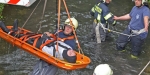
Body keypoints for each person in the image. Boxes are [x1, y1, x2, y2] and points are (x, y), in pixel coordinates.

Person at [0, 18, 79, 75]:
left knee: (28, 41)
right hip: (46, 44)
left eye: (70, 28)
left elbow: (62, 54)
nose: (68, 29)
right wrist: (49, 34)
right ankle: (16, 30)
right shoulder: (58, 31)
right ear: (64, 26)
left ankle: (8, 32)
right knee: (31, 36)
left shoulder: (71, 43)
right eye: (67, 26)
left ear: (73, 30)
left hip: (50, 58)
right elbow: (54, 39)